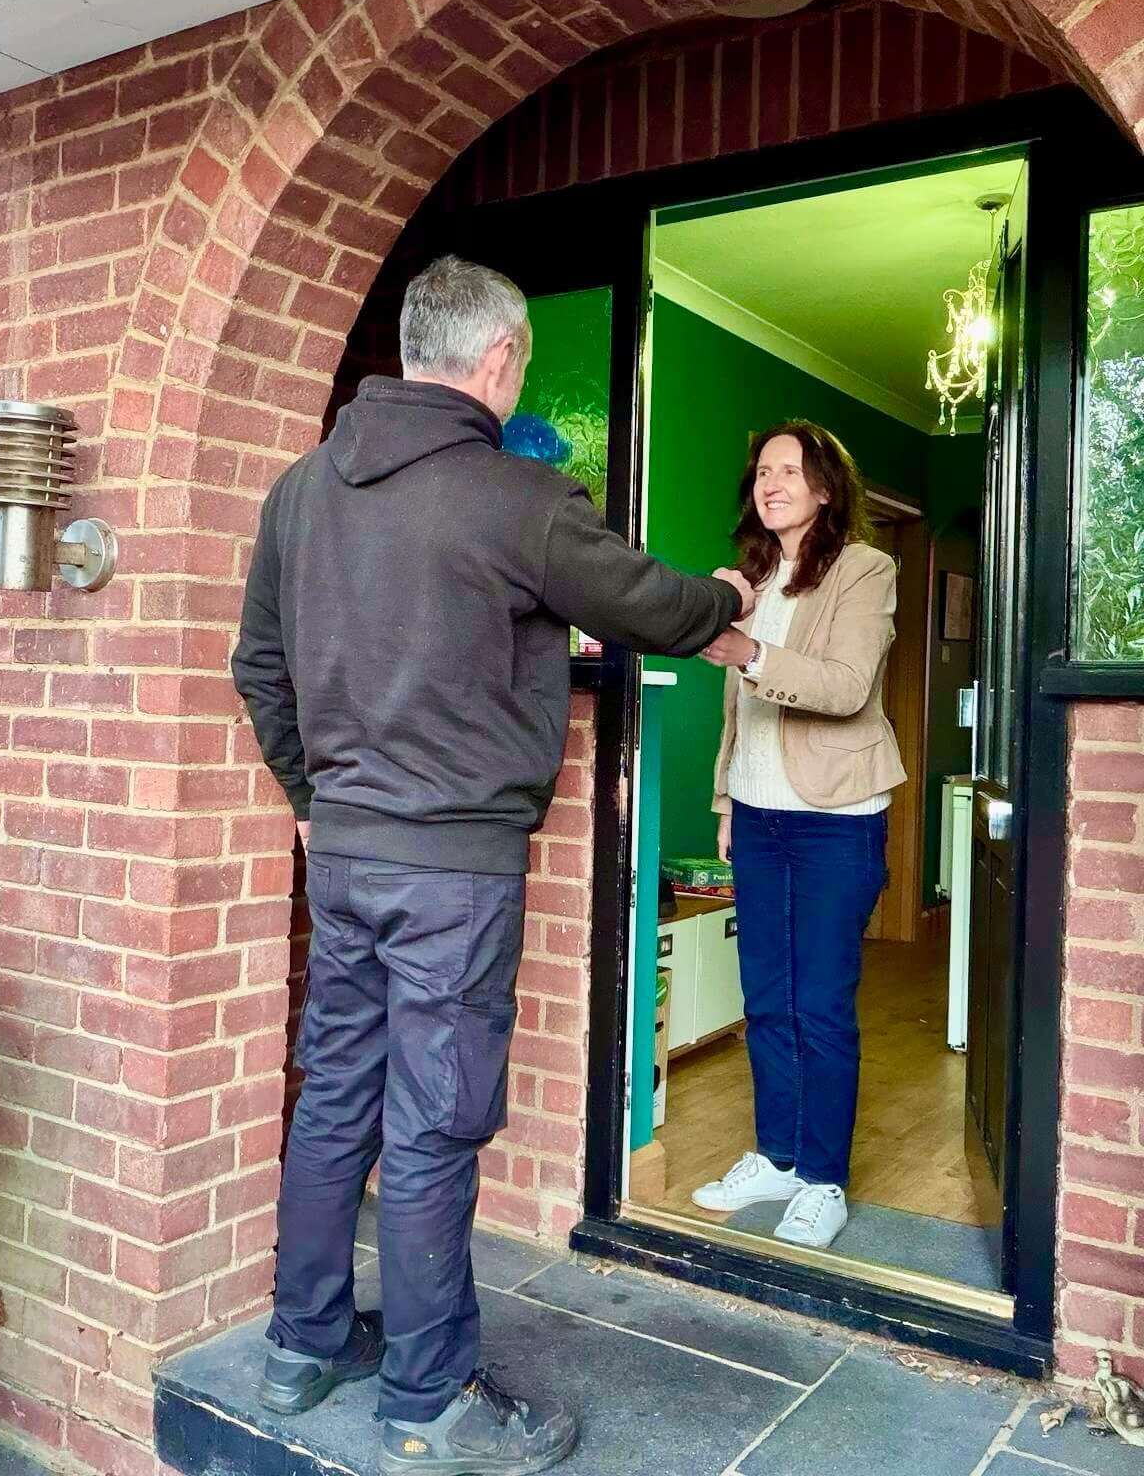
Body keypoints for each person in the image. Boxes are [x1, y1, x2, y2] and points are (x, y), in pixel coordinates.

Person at [231, 255, 750, 1476]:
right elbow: (645, 600)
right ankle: (425, 1394)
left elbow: (259, 672)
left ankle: (301, 1345)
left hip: (347, 855)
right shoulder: (512, 496)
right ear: (500, 358)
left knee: (336, 1097)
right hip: (453, 871)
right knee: (432, 1120)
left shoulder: (300, 492)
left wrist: (315, 802)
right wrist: (726, 592)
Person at [693, 422, 906, 1251]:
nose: (771, 481)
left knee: (818, 1005)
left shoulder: (865, 569)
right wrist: (723, 803)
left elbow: (848, 687)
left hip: (834, 822)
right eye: (762, 471)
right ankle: (778, 1156)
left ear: (825, 486)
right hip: (757, 816)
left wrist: (746, 646)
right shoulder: (748, 578)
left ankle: (823, 1179)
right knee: (765, 1002)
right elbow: (736, 712)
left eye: (791, 469)